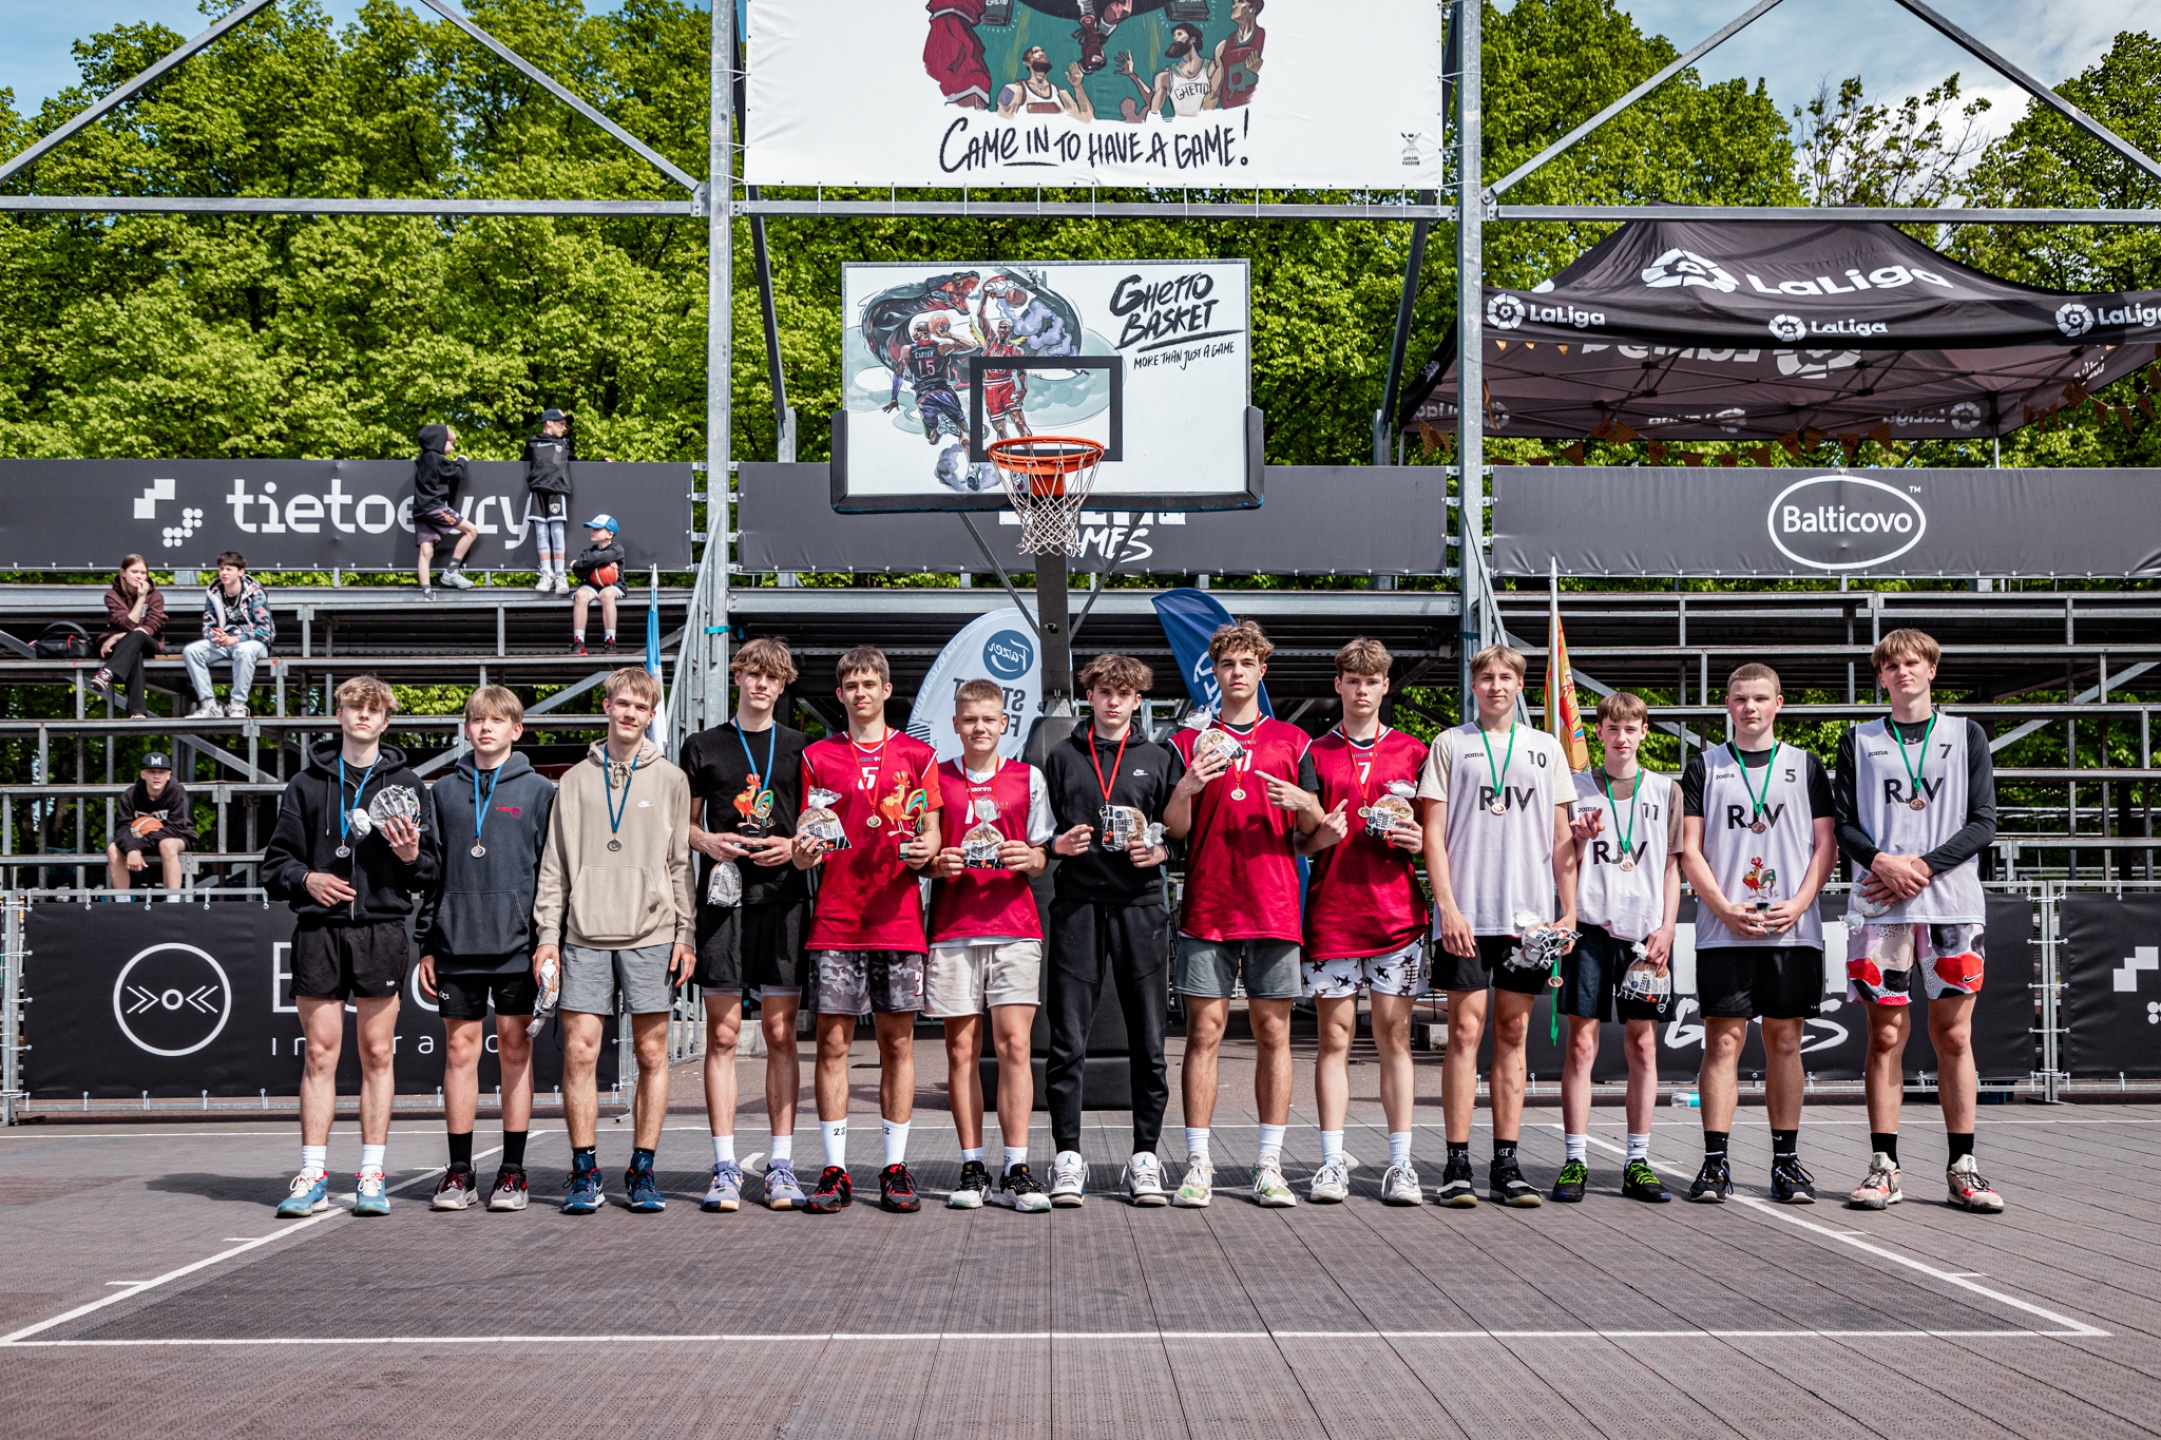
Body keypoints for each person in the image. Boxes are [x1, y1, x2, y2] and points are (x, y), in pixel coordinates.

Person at [1834, 629, 2004, 1213]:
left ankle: (1963, 1168)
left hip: (1951, 904)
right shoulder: (1859, 739)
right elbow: (1843, 823)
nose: (1902, 672)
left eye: (1912, 663)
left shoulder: (1966, 734)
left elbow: (1984, 821)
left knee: (1954, 1036)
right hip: (1881, 904)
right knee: (1885, 1036)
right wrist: (1882, 861)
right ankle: (1884, 1167)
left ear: (1932, 670)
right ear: (1881, 676)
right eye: (1891, 665)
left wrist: (1923, 867)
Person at [263, 676, 439, 1218]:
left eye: (372, 709)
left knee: (378, 1053)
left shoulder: (408, 784)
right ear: (339, 715)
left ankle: (371, 1172)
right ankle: (313, 1174)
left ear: (385, 720)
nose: (362, 715)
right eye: (353, 707)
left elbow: (430, 872)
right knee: (319, 1054)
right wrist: (306, 878)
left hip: (380, 930)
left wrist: (409, 856)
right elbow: (274, 866)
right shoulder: (305, 784)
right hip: (319, 931)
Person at [1164, 620, 1325, 1209]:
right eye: (1227, 664)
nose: (1236, 672)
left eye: (1246, 663)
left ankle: (1269, 1163)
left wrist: (1306, 803)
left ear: (1262, 671)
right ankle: (1198, 1163)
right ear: (1215, 672)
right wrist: (1186, 787)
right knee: (1203, 1033)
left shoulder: (1294, 741)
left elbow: (1313, 831)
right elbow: (1175, 832)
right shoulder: (1189, 742)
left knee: (1274, 1034)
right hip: (1208, 905)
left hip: (1274, 906)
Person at [1416, 642, 1578, 1208]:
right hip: (1466, 914)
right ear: (1474, 685)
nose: (1495, 686)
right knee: (1464, 1033)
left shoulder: (1546, 748)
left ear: (1519, 685)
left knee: (1512, 1033)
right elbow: (1432, 834)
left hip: (1527, 921)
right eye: (1485, 677)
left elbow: (1562, 836)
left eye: (1505, 677)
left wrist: (1568, 911)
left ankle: (1506, 1164)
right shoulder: (1449, 743)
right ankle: (1456, 1162)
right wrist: (1446, 905)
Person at [532, 667, 696, 1215]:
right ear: (607, 707)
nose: (629, 713)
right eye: (622, 703)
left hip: (652, 934)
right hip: (584, 934)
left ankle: (642, 1170)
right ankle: (585, 1172)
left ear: (651, 716)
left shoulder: (671, 779)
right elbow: (554, 865)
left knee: (652, 1053)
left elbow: (679, 865)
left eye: (640, 707)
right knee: (581, 1053)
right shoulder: (575, 780)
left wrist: (685, 932)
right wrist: (548, 936)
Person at [792, 645, 944, 1214]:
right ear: (840, 695)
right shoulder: (816, 757)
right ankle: (835, 1169)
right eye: (851, 685)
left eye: (869, 684)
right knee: (832, 1044)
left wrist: (928, 848)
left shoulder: (919, 756)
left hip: (897, 919)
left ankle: (894, 1167)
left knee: (896, 1044)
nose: (861, 693)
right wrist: (803, 854)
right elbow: (807, 839)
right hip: (836, 920)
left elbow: (932, 835)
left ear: (886, 690)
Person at [1679, 662, 1837, 1205]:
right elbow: (1690, 849)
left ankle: (1786, 1163)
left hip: (1791, 929)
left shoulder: (1805, 765)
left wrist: (1800, 903)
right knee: (1722, 1042)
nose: (1750, 707)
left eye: (1760, 698)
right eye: (1741, 699)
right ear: (1728, 705)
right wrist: (1723, 908)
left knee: (1785, 1041)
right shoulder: (1705, 766)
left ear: (1778, 704)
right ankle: (1715, 1163)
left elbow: (1826, 845)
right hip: (1725, 928)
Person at [1040, 653, 1181, 1207]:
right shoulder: (1061, 756)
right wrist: (1056, 845)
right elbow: (1039, 830)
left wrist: (1162, 852)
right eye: (1104, 691)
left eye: (1124, 693)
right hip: (1078, 906)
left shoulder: (1158, 757)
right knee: (1067, 1039)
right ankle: (1067, 1157)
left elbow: (1179, 833)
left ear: (1138, 700)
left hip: (1140, 906)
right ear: (1090, 696)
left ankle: (1145, 1156)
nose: (1114, 701)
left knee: (1149, 1039)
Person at [679, 637, 814, 1213]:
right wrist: (707, 841)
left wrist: (795, 845)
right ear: (737, 677)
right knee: (724, 1035)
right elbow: (682, 827)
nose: (761, 684)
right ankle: (725, 1166)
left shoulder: (803, 748)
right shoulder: (702, 746)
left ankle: (781, 1164)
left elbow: (818, 827)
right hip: (723, 902)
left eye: (772, 677)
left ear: (783, 685)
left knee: (781, 1035)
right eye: (753, 674)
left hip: (783, 901)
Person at [1295, 638, 1430, 1205]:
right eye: (1353, 680)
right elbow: (1300, 841)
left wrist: (1419, 842)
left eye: (1372, 681)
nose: (1362, 690)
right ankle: (1332, 1162)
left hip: (1396, 918)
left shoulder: (1414, 751)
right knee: (1333, 1039)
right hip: (1332, 917)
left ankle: (1401, 1164)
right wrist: (1318, 838)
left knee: (1395, 1038)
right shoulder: (1314, 751)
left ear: (1385, 686)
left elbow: (1433, 836)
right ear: (1339, 685)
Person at [416, 686, 556, 1213]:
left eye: (497, 720)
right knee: (459, 1053)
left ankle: (513, 1173)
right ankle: (459, 1172)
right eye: (477, 720)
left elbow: (551, 873)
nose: (486, 728)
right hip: (456, 943)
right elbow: (431, 873)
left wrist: (547, 940)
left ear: (516, 729)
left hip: (517, 946)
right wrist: (427, 942)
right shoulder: (442, 792)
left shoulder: (539, 791)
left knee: (516, 1050)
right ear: (467, 728)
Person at [926, 679, 1054, 1211]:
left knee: (1015, 1047)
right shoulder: (936, 777)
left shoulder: (1028, 777)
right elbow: (927, 857)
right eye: (970, 719)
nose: (979, 727)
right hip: (954, 929)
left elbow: (1042, 855)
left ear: (1005, 723)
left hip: (1014, 927)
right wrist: (940, 864)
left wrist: (1030, 858)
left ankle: (1017, 1167)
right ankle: (972, 1165)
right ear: (956, 724)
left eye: (988, 719)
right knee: (962, 1051)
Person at [1555, 692, 1683, 1204]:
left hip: (1644, 934)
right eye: (1613, 728)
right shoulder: (1576, 788)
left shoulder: (1666, 790)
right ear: (1599, 732)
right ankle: (1575, 1160)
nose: (1622, 737)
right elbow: (1564, 860)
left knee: (1643, 1046)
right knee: (1581, 1045)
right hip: (1589, 928)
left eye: (1631, 728)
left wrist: (1668, 927)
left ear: (1644, 732)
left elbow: (1672, 866)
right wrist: (1580, 840)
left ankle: (1637, 1161)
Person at [184, 552, 274, 720]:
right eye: (221, 569)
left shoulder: (256, 593)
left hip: (252, 642)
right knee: (192, 651)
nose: (224, 573)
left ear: (241, 571)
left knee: (244, 650)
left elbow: (264, 631)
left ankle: (238, 704)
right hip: (225, 642)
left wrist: (235, 638)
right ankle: (209, 706)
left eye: (229, 569)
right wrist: (215, 636)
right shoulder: (214, 593)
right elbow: (208, 626)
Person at [105, 751, 194, 897]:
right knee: (113, 849)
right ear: (143, 774)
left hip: (177, 838)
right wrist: (131, 849)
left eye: (161, 772)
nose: (157, 776)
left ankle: (173, 901)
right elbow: (122, 828)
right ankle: (122, 903)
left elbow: (176, 827)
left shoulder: (176, 792)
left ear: (168, 775)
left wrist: (138, 845)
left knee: (167, 845)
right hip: (140, 841)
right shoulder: (130, 795)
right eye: (152, 772)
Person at [92, 553, 164, 720]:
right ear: (123, 573)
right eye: (134, 572)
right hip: (125, 648)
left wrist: (117, 637)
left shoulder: (155, 596)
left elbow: (152, 626)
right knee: (135, 653)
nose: (139, 576)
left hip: (148, 641)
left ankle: (108, 672)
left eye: (143, 573)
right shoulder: (112, 596)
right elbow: (128, 624)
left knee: (137, 638)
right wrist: (140, 599)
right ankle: (137, 712)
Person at [413, 423, 479, 599]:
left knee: (426, 552)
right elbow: (456, 474)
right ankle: (451, 572)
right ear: (439, 441)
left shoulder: (422, 458)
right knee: (471, 531)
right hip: (434, 508)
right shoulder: (436, 458)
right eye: (450, 442)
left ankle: (427, 593)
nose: (453, 447)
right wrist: (461, 461)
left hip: (420, 510)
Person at [524, 408, 574, 596]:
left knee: (557, 532)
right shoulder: (532, 442)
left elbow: (576, 462)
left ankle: (560, 575)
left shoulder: (564, 444)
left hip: (557, 490)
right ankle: (546, 574)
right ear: (549, 423)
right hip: (537, 491)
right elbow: (523, 462)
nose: (564, 428)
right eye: (562, 424)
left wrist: (601, 462)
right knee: (541, 533)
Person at [568, 515, 627, 656]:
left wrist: (579, 564)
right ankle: (579, 641)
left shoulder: (617, 549)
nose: (593, 531)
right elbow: (579, 574)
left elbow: (602, 557)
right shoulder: (587, 552)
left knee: (607, 595)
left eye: (598, 529)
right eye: (592, 528)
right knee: (581, 596)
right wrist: (588, 565)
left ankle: (610, 640)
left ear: (610, 534)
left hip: (613, 585)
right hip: (591, 585)